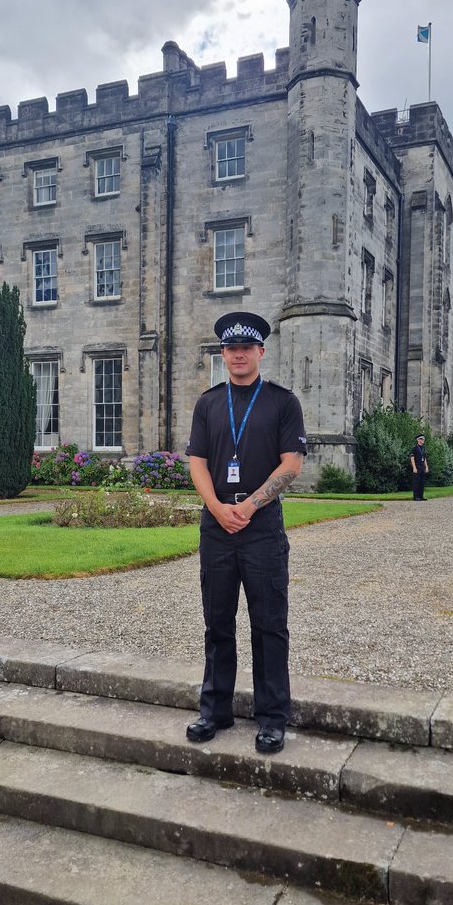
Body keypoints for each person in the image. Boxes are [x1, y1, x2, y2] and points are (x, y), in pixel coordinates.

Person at [185, 311, 307, 755]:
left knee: (268, 624)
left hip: (262, 528)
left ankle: (272, 717)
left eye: (246, 348)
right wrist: (218, 508)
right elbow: (196, 461)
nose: (238, 355)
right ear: (223, 353)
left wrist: (250, 504)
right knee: (217, 623)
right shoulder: (208, 404)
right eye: (231, 348)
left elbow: (291, 463)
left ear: (260, 351)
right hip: (216, 528)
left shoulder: (281, 402)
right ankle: (214, 709)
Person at [410, 434, 429, 500]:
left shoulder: (423, 448)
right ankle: (416, 497)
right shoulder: (414, 448)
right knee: (416, 482)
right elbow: (412, 458)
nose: (423, 440)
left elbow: (424, 458)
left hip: (422, 467)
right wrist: (414, 467)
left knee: (422, 482)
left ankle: (421, 496)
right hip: (417, 466)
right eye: (421, 439)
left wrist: (426, 467)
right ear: (418, 440)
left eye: (423, 439)